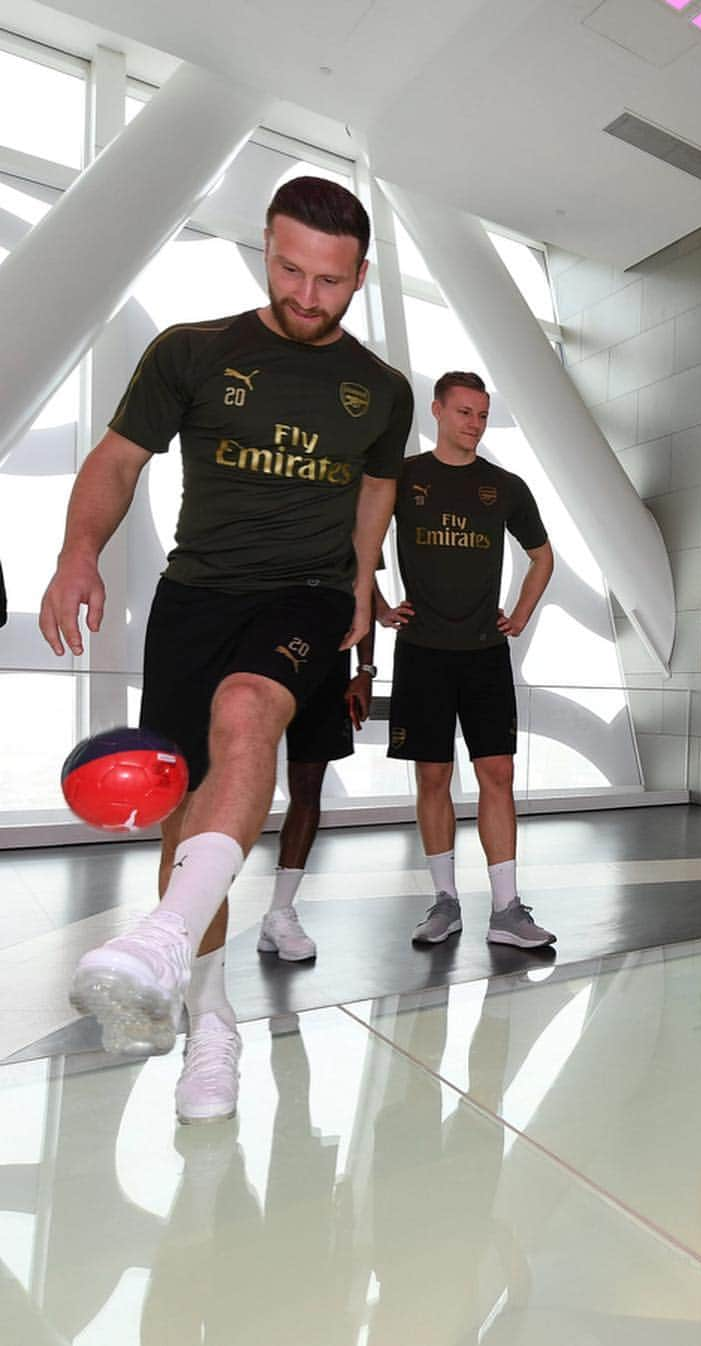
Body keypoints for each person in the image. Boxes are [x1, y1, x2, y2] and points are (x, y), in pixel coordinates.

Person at [39, 176, 413, 1123]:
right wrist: (77, 553)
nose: (306, 294)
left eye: (329, 280)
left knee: (251, 712)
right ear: (267, 248)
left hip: (308, 594)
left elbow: (377, 490)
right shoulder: (194, 353)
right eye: (290, 269)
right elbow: (119, 459)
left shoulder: (382, 391)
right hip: (195, 596)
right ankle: (210, 1015)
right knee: (186, 811)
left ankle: (163, 945)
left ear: (359, 275)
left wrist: (362, 580)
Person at [378, 370, 555, 949]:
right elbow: (356, 541)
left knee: (497, 774)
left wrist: (521, 615)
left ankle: (507, 909)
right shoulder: (404, 478)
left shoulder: (504, 486)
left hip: (484, 654)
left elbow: (542, 557)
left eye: (481, 415)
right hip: (421, 652)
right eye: (464, 413)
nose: (474, 424)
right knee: (433, 776)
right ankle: (445, 902)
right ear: (437, 411)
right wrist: (379, 606)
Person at [260, 634, 376, 962]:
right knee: (236, 784)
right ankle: (196, 916)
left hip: (326, 662)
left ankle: (280, 911)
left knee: (308, 787)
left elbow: (362, 591)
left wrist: (365, 670)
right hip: (259, 655)